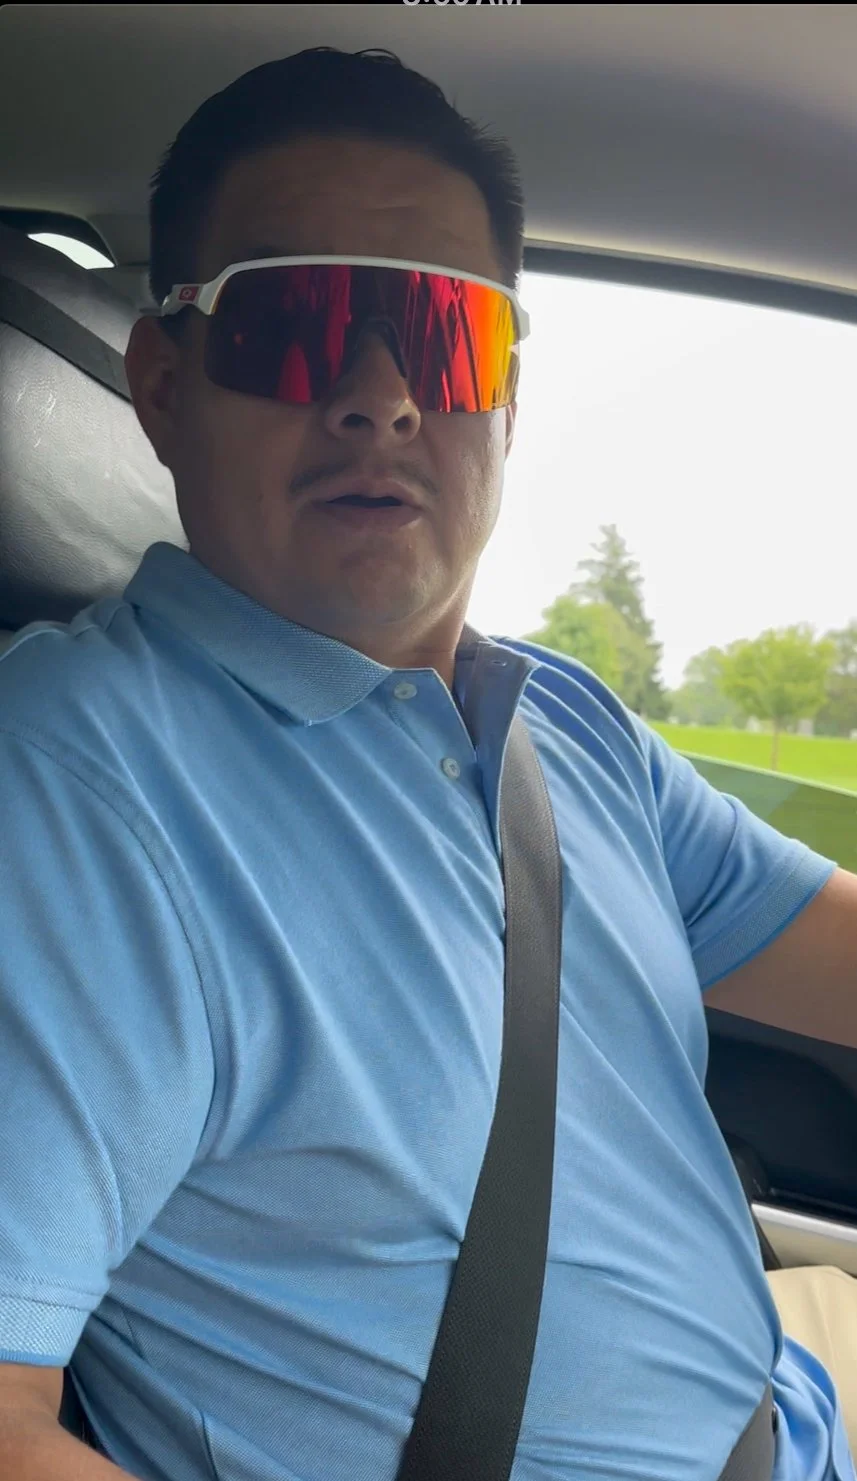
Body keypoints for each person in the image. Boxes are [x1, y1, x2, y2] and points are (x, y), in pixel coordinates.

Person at [0, 46, 855, 1481]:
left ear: (506, 399)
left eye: (447, 338)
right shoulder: (75, 787)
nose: (382, 397)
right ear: (163, 384)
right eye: (295, 324)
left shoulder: (563, 721)